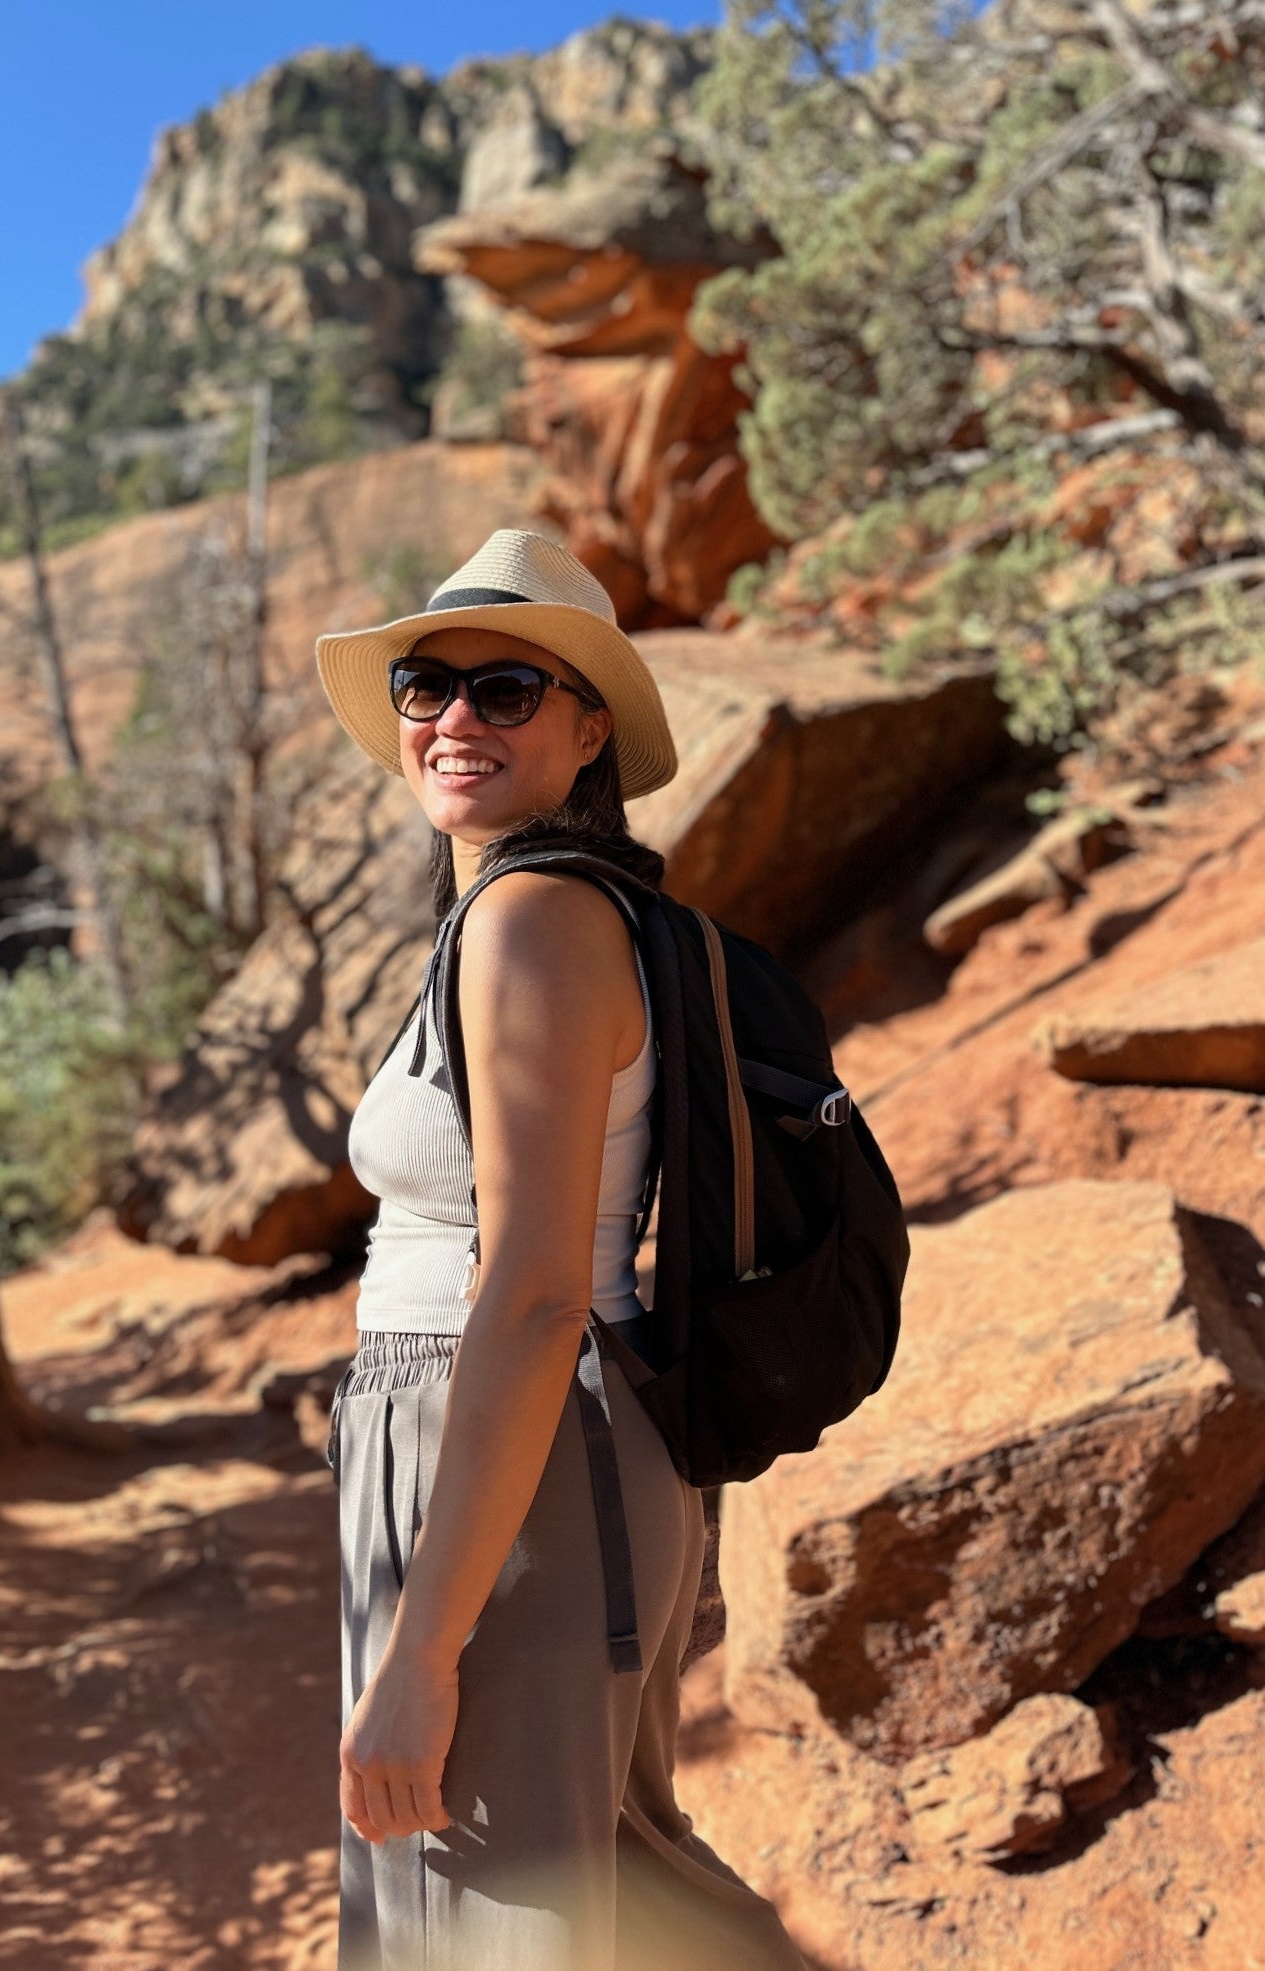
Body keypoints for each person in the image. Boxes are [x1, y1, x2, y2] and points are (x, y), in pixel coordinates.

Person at [314, 530, 808, 1971]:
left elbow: (528, 1297)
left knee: (489, 1917)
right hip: (527, 1446)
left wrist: (419, 1656)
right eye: (427, 685)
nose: (454, 720)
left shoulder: (531, 921)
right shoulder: (527, 912)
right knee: (604, 1886)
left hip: (516, 1439)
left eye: (506, 690)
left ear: (588, 729)